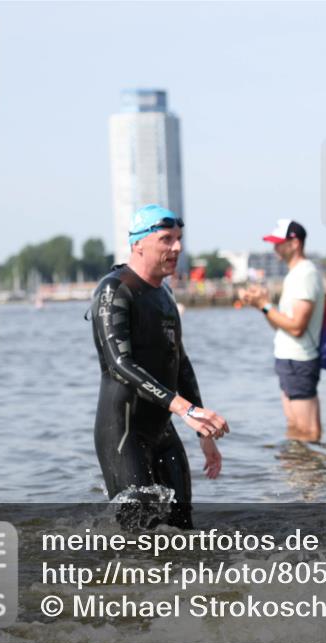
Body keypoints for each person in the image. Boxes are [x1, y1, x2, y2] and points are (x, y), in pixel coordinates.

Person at [90, 204, 229, 530]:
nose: (177, 247)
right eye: (166, 239)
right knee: (138, 540)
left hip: (162, 431)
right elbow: (119, 364)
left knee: (183, 531)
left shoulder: (164, 294)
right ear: (138, 243)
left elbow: (179, 362)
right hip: (123, 433)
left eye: (179, 239)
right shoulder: (115, 290)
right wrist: (184, 409)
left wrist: (201, 426)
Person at [239, 219, 325, 442]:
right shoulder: (295, 274)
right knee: (295, 428)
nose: (274, 247)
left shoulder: (305, 274)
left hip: (299, 360)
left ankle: (310, 475)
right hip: (290, 360)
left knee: (306, 430)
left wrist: (264, 306)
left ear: (295, 243)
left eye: (279, 242)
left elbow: (296, 327)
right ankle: (296, 474)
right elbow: (281, 324)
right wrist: (263, 304)